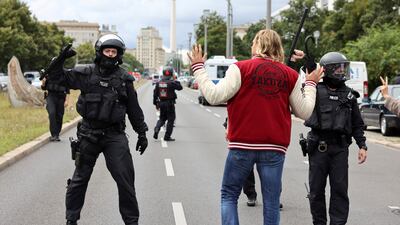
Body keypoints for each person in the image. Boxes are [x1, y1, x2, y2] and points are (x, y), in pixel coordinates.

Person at [189, 29, 323, 225]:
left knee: (229, 196)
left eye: (253, 43)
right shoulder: (290, 75)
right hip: (274, 148)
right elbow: (304, 111)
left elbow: (214, 96)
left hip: (242, 145)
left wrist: (199, 68)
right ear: (277, 47)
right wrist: (310, 84)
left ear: (258, 45)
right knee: (271, 203)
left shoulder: (240, 69)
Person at [45, 34, 148, 225]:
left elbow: (134, 109)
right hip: (88, 134)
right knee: (79, 180)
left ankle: (132, 222)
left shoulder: (124, 80)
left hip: (114, 136)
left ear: (119, 55)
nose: (110, 55)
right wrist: (59, 60)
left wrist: (141, 133)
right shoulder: (86, 74)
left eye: (113, 52)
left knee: (125, 181)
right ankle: (71, 219)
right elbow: (57, 78)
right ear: (100, 53)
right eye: (107, 51)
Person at [304, 52, 368, 225]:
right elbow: (299, 91)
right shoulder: (314, 91)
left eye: (343, 68)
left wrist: (362, 145)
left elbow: (357, 124)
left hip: (340, 148)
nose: (342, 71)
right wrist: (306, 64)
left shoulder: (349, 95)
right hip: (318, 147)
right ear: (328, 70)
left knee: (339, 190)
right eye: (338, 68)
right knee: (316, 191)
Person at [153, 66, 182, 141]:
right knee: (170, 120)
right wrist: (175, 79)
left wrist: (156, 104)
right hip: (170, 104)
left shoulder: (158, 83)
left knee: (162, 118)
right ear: (172, 74)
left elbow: (155, 94)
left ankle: (157, 128)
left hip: (161, 103)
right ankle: (167, 136)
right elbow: (180, 87)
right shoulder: (172, 83)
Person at [41, 76, 70, 141]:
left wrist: (66, 100)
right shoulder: (49, 75)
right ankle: (54, 134)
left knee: (59, 116)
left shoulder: (63, 75)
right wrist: (43, 82)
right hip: (51, 97)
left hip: (61, 98)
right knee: (52, 113)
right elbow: (43, 88)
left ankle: (57, 134)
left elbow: (67, 90)